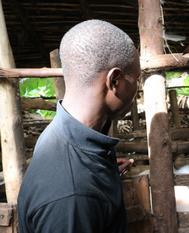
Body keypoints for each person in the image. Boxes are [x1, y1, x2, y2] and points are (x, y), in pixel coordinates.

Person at [17, 19, 140, 233]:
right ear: (114, 81)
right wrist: (87, 187)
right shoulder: (73, 195)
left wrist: (103, 173)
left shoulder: (60, 136)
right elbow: (73, 191)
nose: (137, 88)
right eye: (136, 79)